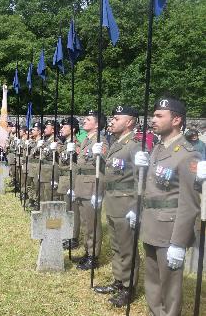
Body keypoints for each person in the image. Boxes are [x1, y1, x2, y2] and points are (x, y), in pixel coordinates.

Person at [136, 98, 201, 315]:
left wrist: (179, 243)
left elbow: (189, 204)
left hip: (170, 229)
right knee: (153, 283)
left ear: (176, 120)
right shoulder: (157, 149)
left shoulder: (187, 154)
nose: (152, 120)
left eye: (159, 116)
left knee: (170, 289)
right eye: (153, 115)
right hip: (152, 226)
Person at [93, 106, 141, 307]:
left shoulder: (134, 146)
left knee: (127, 247)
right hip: (113, 200)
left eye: (117, 118)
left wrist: (137, 208)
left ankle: (129, 287)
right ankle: (118, 280)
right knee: (116, 245)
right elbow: (112, 173)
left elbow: (140, 180)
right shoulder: (115, 144)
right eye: (112, 118)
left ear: (129, 122)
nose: (112, 121)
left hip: (126, 202)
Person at [73, 110, 108, 270]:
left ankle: (93, 256)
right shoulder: (86, 140)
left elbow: (105, 164)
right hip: (82, 185)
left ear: (97, 124)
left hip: (92, 187)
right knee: (86, 222)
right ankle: (87, 252)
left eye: (88, 119)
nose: (84, 121)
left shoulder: (101, 142)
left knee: (92, 224)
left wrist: (98, 192)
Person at [58, 117, 81, 250]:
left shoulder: (75, 144)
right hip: (64, 179)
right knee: (66, 209)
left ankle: (73, 237)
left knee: (72, 210)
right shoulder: (65, 143)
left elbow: (77, 165)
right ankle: (67, 233)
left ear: (72, 129)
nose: (61, 128)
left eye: (64, 126)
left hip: (71, 179)